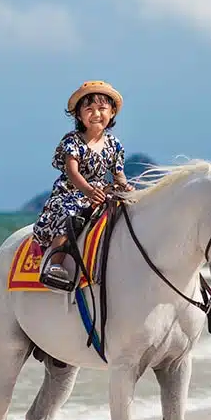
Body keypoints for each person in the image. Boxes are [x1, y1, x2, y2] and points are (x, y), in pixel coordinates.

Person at [32, 80, 134, 284]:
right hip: (73, 191)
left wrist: (126, 187)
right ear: (79, 115)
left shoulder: (114, 144)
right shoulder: (73, 141)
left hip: (101, 192)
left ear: (112, 112)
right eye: (89, 109)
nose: (96, 114)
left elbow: (118, 173)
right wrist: (87, 190)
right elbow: (72, 171)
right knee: (69, 215)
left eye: (102, 108)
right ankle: (55, 262)